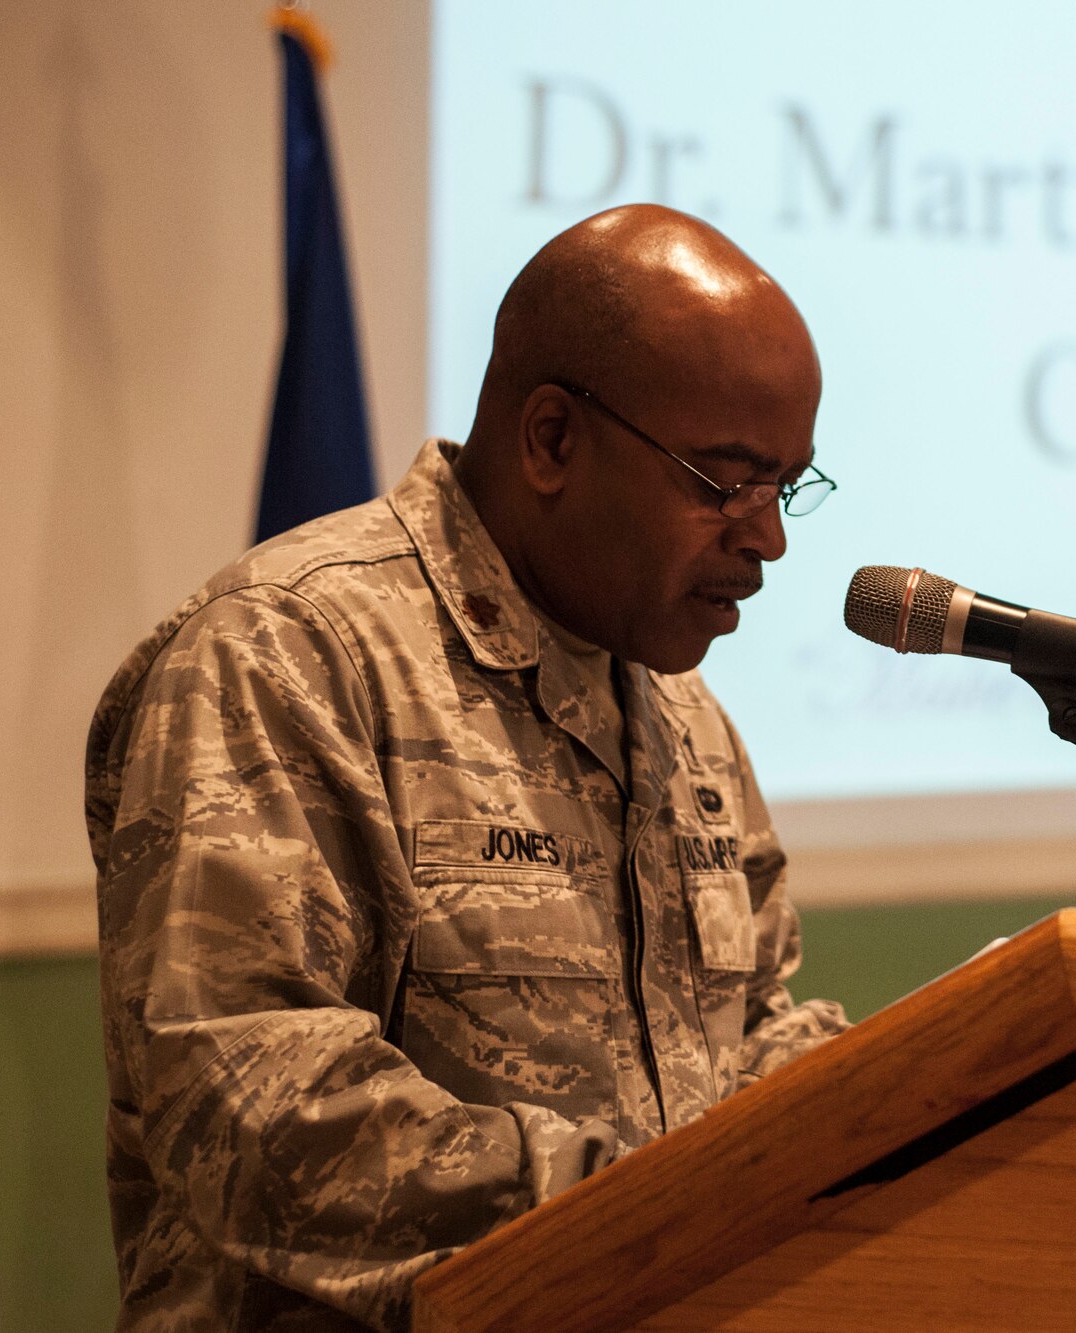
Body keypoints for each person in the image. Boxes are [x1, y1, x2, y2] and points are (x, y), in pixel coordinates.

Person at [84, 205, 850, 1331]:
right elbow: (248, 1103)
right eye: (723, 480)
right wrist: (644, 1203)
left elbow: (747, 1033)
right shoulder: (290, 653)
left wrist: (896, 1094)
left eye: (785, 487)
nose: (766, 537)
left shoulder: (681, 713)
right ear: (552, 440)